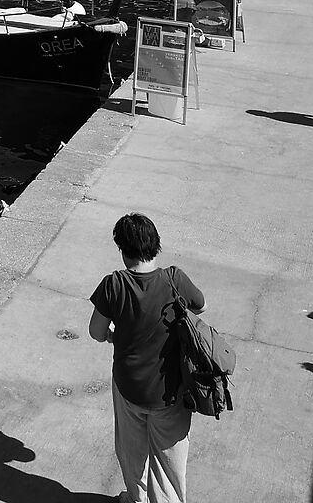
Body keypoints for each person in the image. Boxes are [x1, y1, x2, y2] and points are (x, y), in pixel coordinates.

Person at [87, 212, 203, 503]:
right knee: (169, 466)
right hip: (172, 392)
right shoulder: (175, 279)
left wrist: (115, 333)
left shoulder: (113, 285)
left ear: (123, 251)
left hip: (129, 389)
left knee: (132, 454)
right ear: (156, 245)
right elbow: (201, 306)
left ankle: (135, 499)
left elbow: (96, 332)